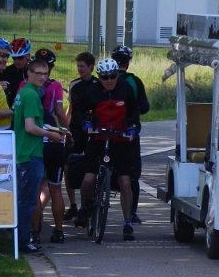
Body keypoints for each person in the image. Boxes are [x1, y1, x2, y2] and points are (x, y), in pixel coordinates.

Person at [73, 58, 139, 241]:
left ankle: (127, 222)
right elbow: (79, 111)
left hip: (121, 139)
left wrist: (132, 127)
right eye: (105, 77)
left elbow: (134, 111)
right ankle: (85, 207)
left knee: (125, 182)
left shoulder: (125, 88)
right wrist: (86, 122)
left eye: (113, 76)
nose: (109, 80)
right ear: (99, 77)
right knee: (88, 179)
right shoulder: (92, 91)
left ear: (117, 74)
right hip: (98, 138)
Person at [13, 59, 65, 254]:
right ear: (29, 73)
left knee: (25, 199)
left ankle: (21, 240)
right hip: (30, 153)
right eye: (38, 73)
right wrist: (50, 134)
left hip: (22, 151)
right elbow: (30, 127)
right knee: (28, 201)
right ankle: (23, 242)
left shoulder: (23, 93)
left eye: (45, 74)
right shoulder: (31, 95)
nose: (43, 77)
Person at [112, 46, 149, 224]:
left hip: (104, 130)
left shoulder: (104, 78)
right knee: (132, 173)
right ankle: (132, 212)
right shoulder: (134, 81)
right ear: (128, 62)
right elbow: (144, 107)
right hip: (128, 131)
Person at [63, 52, 98, 221]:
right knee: (68, 164)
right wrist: (65, 129)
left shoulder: (99, 85)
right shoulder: (74, 85)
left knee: (91, 165)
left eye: (82, 66)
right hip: (76, 129)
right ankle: (73, 204)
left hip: (93, 129)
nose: (79, 69)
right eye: (78, 66)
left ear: (91, 66)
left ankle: (90, 200)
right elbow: (70, 109)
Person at [0, 38, 31, 108]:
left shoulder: (35, 71)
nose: (16, 61)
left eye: (20, 58)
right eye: (14, 58)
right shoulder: (6, 72)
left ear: (28, 55)